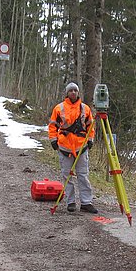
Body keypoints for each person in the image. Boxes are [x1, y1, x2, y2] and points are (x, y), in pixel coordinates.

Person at [48, 82, 98, 213]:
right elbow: (52, 125)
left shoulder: (85, 108)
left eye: (75, 90)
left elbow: (90, 126)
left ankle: (86, 202)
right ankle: (70, 202)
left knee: (83, 175)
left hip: (81, 147)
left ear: (78, 92)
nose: (73, 93)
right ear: (67, 93)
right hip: (64, 147)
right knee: (67, 176)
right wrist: (53, 140)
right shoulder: (59, 108)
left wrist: (91, 140)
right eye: (71, 91)